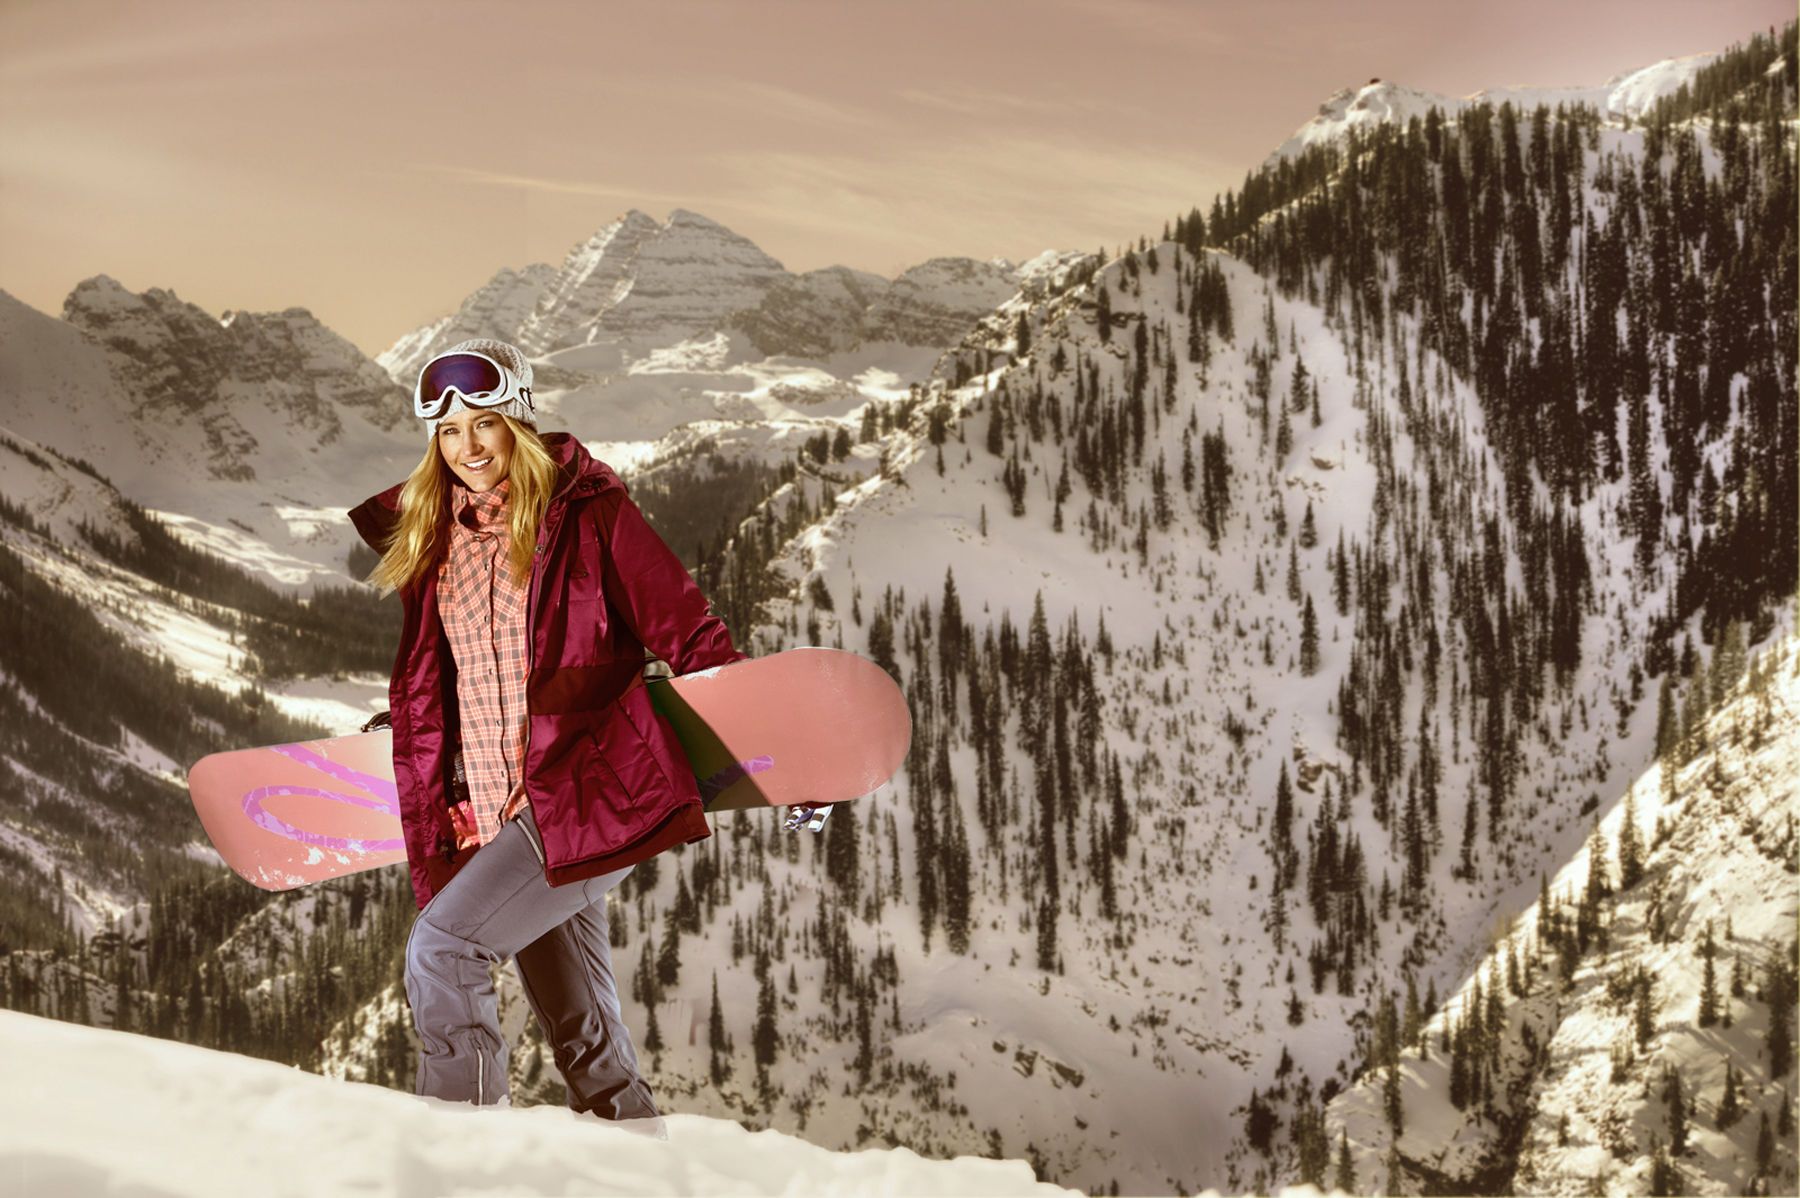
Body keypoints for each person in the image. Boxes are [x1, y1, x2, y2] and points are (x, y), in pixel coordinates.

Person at [346, 337, 745, 1117]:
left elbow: (692, 634)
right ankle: (636, 1161)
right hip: (497, 808)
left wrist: (779, 756)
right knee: (582, 1028)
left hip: (588, 793)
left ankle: (462, 1155)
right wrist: (413, 725)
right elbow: (461, 669)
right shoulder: (437, 536)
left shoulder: (589, 517)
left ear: (518, 421)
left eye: (484, 423)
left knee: (445, 947)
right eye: (449, 431)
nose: (468, 447)